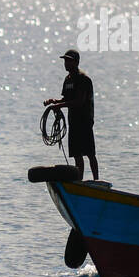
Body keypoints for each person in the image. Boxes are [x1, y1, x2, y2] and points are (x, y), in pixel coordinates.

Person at [43, 49, 99, 180]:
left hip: (84, 121)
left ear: (76, 62)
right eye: (65, 61)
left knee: (90, 153)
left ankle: (96, 180)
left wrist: (59, 106)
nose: (66, 63)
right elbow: (66, 99)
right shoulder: (68, 80)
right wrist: (54, 101)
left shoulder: (83, 79)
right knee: (77, 155)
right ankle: (79, 181)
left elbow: (79, 102)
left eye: (69, 61)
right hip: (73, 122)